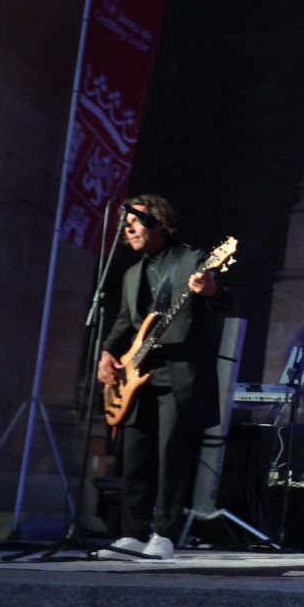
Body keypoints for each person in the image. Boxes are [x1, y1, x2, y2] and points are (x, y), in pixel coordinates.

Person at [95, 195, 231, 560]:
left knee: (170, 453)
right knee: (135, 453)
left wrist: (213, 290)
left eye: (135, 222)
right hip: (138, 373)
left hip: (179, 371)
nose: (129, 229)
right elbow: (126, 321)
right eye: (126, 225)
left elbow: (224, 302)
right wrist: (108, 352)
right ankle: (132, 534)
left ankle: (164, 534)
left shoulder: (192, 259)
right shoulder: (131, 272)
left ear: (157, 222)